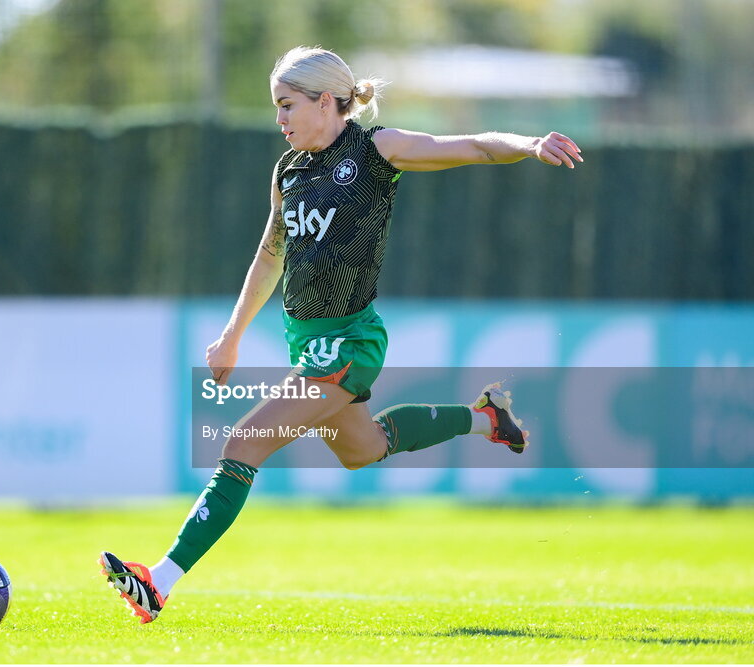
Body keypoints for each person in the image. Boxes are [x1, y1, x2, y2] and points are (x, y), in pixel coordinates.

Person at [100, 46, 582, 624]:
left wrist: (529, 145)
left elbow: (473, 146)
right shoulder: (289, 171)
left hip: (350, 342)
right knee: (363, 450)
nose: (279, 119)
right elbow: (270, 253)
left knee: (240, 444)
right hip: (308, 344)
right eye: (275, 107)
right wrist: (231, 336)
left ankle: (159, 582)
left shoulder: (376, 150)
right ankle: (487, 417)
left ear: (326, 102)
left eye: (287, 105)